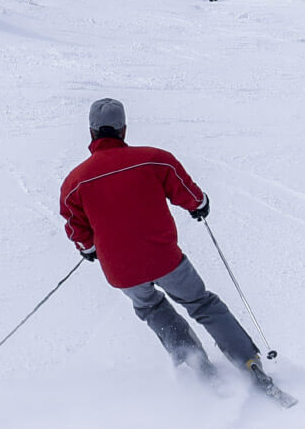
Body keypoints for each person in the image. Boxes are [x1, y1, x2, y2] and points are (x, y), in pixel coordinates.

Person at [60, 98, 270, 387]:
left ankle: (195, 364)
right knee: (201, 303)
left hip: (121, 271)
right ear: (123, 129)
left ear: (91, 132)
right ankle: (247, 361)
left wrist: (88, 248)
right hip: (164, 259)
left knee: (151, 308)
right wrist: (199, 205)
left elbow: (74, 224)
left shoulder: (75, 182)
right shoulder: (154, 159)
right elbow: (188, 192)